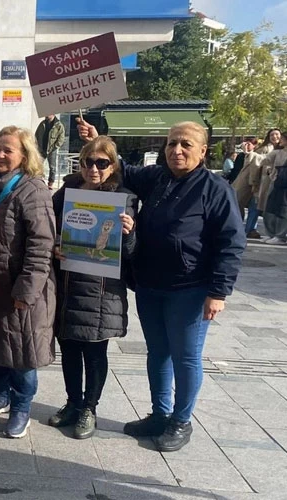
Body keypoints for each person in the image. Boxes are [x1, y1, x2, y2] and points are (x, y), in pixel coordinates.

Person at [77, 118, 245, 452]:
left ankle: (181, 421)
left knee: (186, 357)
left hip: (191, 288)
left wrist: (218, 292)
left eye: (185, 144)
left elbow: (232, 242)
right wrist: (99, 138)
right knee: (158, 354)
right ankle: (159, 413)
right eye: (171, 143)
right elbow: (119, 165)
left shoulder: (216, 190)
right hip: (151, 285)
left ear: (203, 151)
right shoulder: (155, 177)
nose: (177, 150)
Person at [47, 136, 137, 440]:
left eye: (102, 163)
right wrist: (55, 247)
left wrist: (129, 234)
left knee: (95, 351)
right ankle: (73, 402)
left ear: (112, 166)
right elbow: (47, 226)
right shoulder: (66, 193)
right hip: (68, 284)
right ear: (81, 163)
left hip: (101, 291)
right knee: (69, 347)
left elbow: (133, 250)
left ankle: (90, 408)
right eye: (89, 162)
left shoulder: (124, 198)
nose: (94, 168)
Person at [0, 125, 56, 439]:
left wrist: (27, 289)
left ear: (24, 154)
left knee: (22, 350)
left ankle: (22, 407)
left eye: (8, 149)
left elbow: (41, 244)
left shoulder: (33, 189)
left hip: (21, 288)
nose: (1, 154)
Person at [261, 134, 287, 245]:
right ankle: (272, 233)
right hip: (277, 182)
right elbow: (264, 160)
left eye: (283, 138)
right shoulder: (278, 152)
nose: (280, 139)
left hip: (284, 184)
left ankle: (280, 235)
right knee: (270, 208)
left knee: (283, 210)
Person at [36, 114, 65, 188]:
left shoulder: (58, 125)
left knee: (52, 167)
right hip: (42, 148)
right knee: (38, 165)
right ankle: (40, 180)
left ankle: (50, 183)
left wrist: (55, 147)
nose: (46, 115)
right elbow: (37, 135)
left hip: (52, 149)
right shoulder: (42, 124)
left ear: (53, 114)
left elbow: (61, 138)